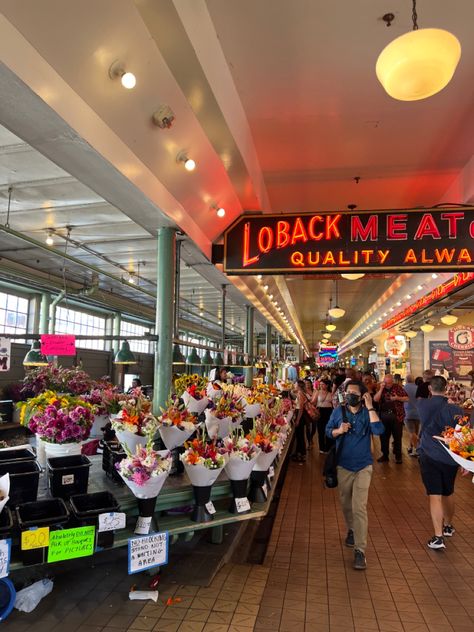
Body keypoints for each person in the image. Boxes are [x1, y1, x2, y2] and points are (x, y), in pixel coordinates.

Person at [326, 380, 384, 570]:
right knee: (346, 503)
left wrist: (370, 407)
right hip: (343, 466)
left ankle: (360, 550)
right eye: (347, 392)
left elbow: (378, 430)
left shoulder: (368, 413)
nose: (350, 395)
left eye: (354, 393)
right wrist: (338, 430)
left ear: (362, 396)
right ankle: (351, 528)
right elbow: (328, 432)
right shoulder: (339, 412)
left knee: (359, 506)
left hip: (363, 466)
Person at [417, 376, 463, 550]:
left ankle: (438, 537)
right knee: (448, 492)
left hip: (429, 454)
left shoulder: (422, 404)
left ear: (430, 388)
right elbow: (461, 435)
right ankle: (449, 526)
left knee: (434, 495)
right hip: (450, 457)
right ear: (446, 388)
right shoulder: (455, 409)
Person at [374, 374, 408, 463]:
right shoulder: (381, 388)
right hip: (384, 416)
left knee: (397, 437)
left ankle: (398, 456)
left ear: (392, 381)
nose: (388, 384)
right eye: (386, 382)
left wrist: (397, 398)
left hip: (396, 416)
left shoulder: (398, 387)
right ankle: (385, 455)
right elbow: (375, 399)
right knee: (384, 437)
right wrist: (381, 389)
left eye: (389, 383)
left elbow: (407, 398)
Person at [403, 375, 420, 456]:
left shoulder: (403, 389)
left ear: (406, 380)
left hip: (407, 413)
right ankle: (410, 447)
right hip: (418, 413)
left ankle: (417, 449)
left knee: (412, 433)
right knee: (415, 432)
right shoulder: (418, 388)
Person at [316, 379, 334, 453]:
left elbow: (334, 404)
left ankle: (328, 447)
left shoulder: (331, 393)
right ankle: (321, 447)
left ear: (327, 385)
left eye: (323, 384)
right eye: (320, 384)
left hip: (329, 411)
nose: (321, 386)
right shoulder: (317, 392)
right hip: (320, 411)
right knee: (320, 430)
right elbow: (313, 401)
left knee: (328, 429)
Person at [293, 380, 309, 462]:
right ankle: (299, 453)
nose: (294, 385)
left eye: (295, 384)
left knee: (300, 436)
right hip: (300, 416)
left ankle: (301, 454)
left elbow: (301, 408)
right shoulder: (301, 393)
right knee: (299, 435)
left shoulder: (300, 394)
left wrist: (298, 420)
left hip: (301, 416)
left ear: (298, 385)